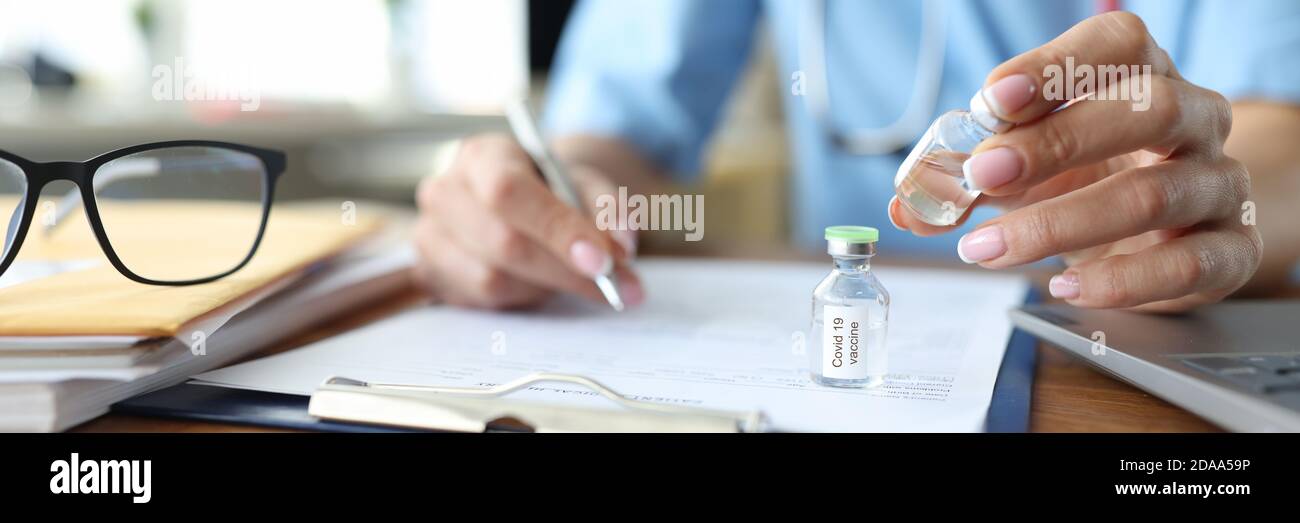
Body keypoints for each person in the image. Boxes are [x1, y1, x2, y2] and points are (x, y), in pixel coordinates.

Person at [413, 0, 1300, 313]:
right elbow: (613, 140)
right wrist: (558, 204)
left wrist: (1188, 202)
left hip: (1138, 353)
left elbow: (1280, 138)